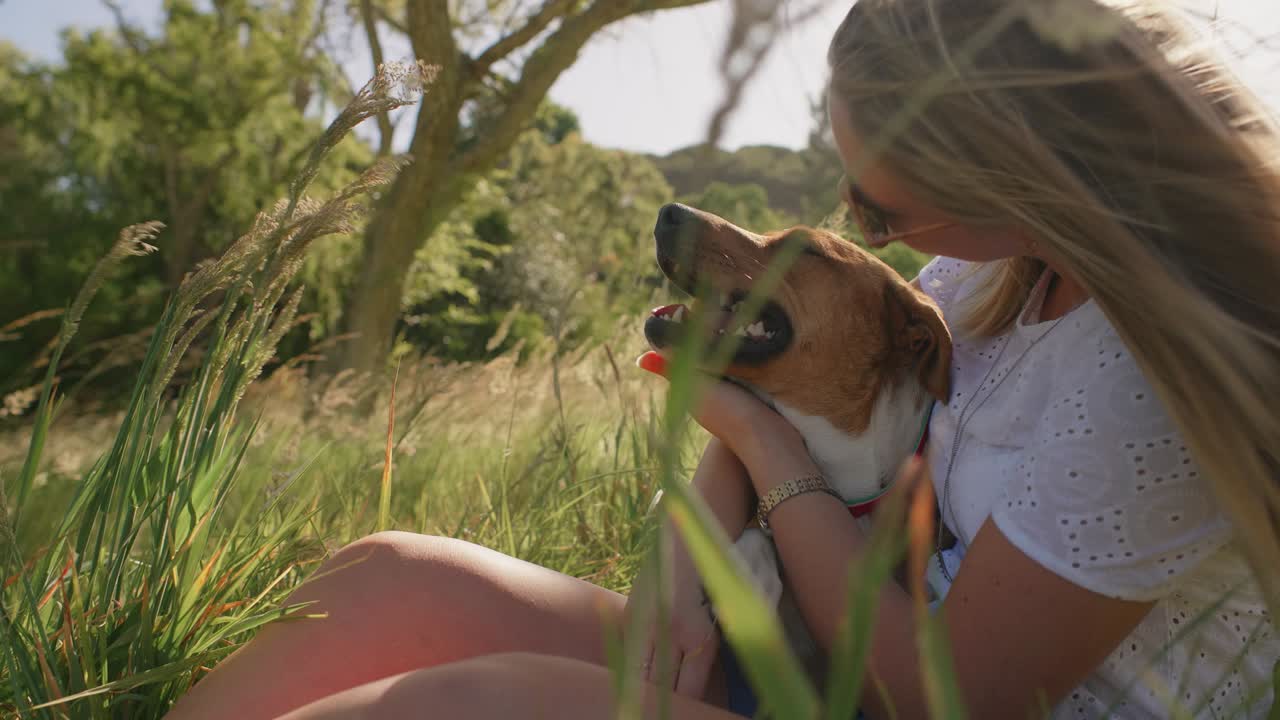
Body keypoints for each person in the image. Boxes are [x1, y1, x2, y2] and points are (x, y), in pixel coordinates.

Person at [165, 0, 1280, 717]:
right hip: (805, 648)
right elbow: (799, 420)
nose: (859, 225)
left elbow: (938, 693)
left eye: (876, 211)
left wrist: (748, 431)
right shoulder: (982, 280)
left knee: (462, 703)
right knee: (391, 577)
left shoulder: (1150, 380)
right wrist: (681, 581)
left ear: (1019, 178)